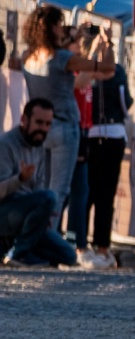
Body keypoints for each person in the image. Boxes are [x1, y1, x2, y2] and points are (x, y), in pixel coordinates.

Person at [17, 6, 104, 259]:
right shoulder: (63, 59)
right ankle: (45, 243)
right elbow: (96, 72)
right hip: (65, 126)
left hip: (41, 128)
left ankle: (42, 241)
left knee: (51, 188)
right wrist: (101, 50)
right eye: (61, 27)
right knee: (59, 190)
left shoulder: (28, 57)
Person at [75, 27, 131, 266]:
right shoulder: (110, 71)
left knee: (88, 194)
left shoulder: (83, 68)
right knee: (100, 195)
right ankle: (98, 248)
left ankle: (87, 246)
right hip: (107, 133)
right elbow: (125, 101)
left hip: (93, 133)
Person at [0, 99, 79, 267]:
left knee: (68, 255)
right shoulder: (6, 145)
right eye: (39, 123)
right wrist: (19, 179)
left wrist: (44, 213)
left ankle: (18, 249)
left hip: (26, 219)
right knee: (49, 197)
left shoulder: (39, 146)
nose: (43, 129)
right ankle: (19, 254)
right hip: (6, 213)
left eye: (48, 124)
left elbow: (38, 188)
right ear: (24, 120)